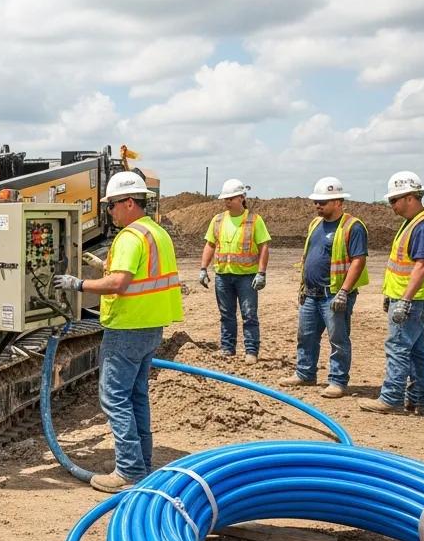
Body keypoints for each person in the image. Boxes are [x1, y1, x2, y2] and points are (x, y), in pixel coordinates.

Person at [53, 171, 184, 493]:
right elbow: (140, 275)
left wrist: (78, 283)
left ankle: (127, 471)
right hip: (151, 325)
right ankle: (142, 464)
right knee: (135, 396)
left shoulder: (130, 236)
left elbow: (119, 284)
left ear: (128, 202)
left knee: (113, 398)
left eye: (111, 205)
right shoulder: (155, 232)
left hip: (127, 326)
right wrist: (102, 267)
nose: (109, 212)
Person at [360, 170, 424, 415]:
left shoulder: (423, 227)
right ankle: (418, 399)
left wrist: (403, 301)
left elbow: (422, 265)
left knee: (398, 347)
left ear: (410, 197)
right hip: (415, 298)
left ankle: (390, 398)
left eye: (394, 200)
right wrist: (391, 295)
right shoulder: (414, 223)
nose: (392, 205)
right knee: (416, 349)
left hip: (416, 300)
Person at [279, 177, 368, 398]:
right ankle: (305, 373)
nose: (318, 205)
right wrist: (302, 286)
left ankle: (337, 380)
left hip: (334, 294)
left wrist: (344, 292)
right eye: (316, 201)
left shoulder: (353, 227)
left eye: (323, 202)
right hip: (311, 294)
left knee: (338, 338)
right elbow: (309, 255)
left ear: (338, 202)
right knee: (306, 335)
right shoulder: (315, 224)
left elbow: (358, 260)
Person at [197, 179, 270, 363]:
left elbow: (263, 247)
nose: (227, 201)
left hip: (247, 276)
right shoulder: (218, 220)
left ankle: (251, 351)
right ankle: (227, 348)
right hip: (223, 275)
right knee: (226, 314)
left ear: (241, 198)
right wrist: (203, 269)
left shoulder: (254, 220)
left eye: (231, 198)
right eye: (225, 198)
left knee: (249, 314)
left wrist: (261, 272)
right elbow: (210, 244)